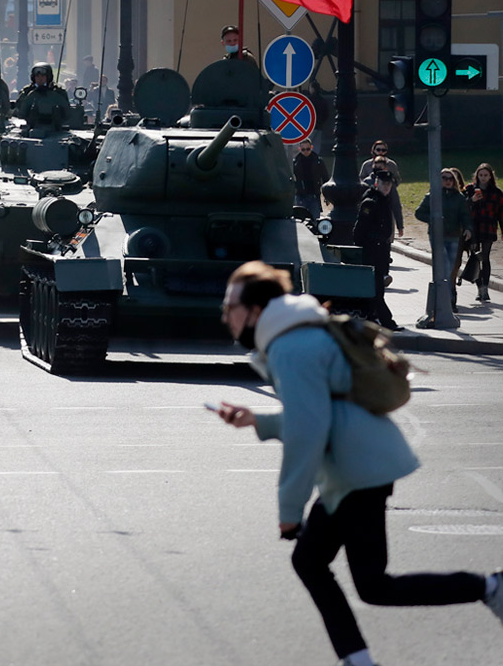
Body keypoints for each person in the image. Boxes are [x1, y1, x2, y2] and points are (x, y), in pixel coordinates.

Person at [214, 260, 503, 666]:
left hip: (358, 472)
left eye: (230, 307)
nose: (225, 315)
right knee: (314, 564)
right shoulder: (298, 332)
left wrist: (289, 512)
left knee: (371, 585)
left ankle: (490, 587)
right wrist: (257, 421)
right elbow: (318, 412)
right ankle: (358, 659)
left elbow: (307, 432)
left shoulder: (289, 347)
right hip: (356, 468)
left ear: (256, 310)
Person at [415, 168, 472, 312]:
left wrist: (468, 228)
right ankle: (446, 300)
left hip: (454, 235)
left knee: (451, 268)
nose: (447, 181)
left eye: (450, 178)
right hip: (437, 236)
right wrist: (433, 219)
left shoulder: (459, 198)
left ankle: (448, 299)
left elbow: (465, 215)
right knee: (444, 266)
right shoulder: (432, 196)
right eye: (444, 178)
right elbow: (419, 213)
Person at [352, 170, 401, 331]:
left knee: (376, 288)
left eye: (389, 184)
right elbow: (359, 230)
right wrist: (368, 245)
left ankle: (371, 318)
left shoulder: (384, 200)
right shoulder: (371, 202)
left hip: (381, 251)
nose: (386, 187)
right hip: (372, 251)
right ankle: (386, 321)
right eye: (383, 184)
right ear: (376, 183)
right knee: (377, 289)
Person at [464, 163, 502, 302]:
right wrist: (472, 200)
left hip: (489, 227)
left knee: (485, 257)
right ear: (477, 176)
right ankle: (479, 288)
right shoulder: (470, 189)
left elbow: (501, 213)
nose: (483, 178)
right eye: (481, 175)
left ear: (491, 176)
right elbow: (462, 206)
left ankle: (485, 288)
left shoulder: (496, 192)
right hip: (473, 228)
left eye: (486, 175)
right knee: (475, 257)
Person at [359, 140, 403, 238]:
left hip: (386, 207)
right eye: (378, 149)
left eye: (383, 150)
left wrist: (400, 226)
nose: (380, 152)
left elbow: (396, 205)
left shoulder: (392, 166)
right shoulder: (367, 173)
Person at [14, 62, 70, 129]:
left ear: (48, 77)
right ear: (33, 77)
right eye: (37, 76)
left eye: (43, 76)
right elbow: (20, 112)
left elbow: (67, 113)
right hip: (32, 127)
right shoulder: (27, 92)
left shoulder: (59, 92)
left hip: (56, 128)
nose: (40, 79)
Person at [292, 138, 329, 220]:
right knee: (300, 220)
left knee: (315, 220)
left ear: (311, 147)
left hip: (314, 195)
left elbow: (325, 178)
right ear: (299, 149)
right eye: (303, 149)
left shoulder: (318, 161)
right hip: (300, 196)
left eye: (308, 149)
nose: (305, 151)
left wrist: (327, 196)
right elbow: (291, 179)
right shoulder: (295, 162)